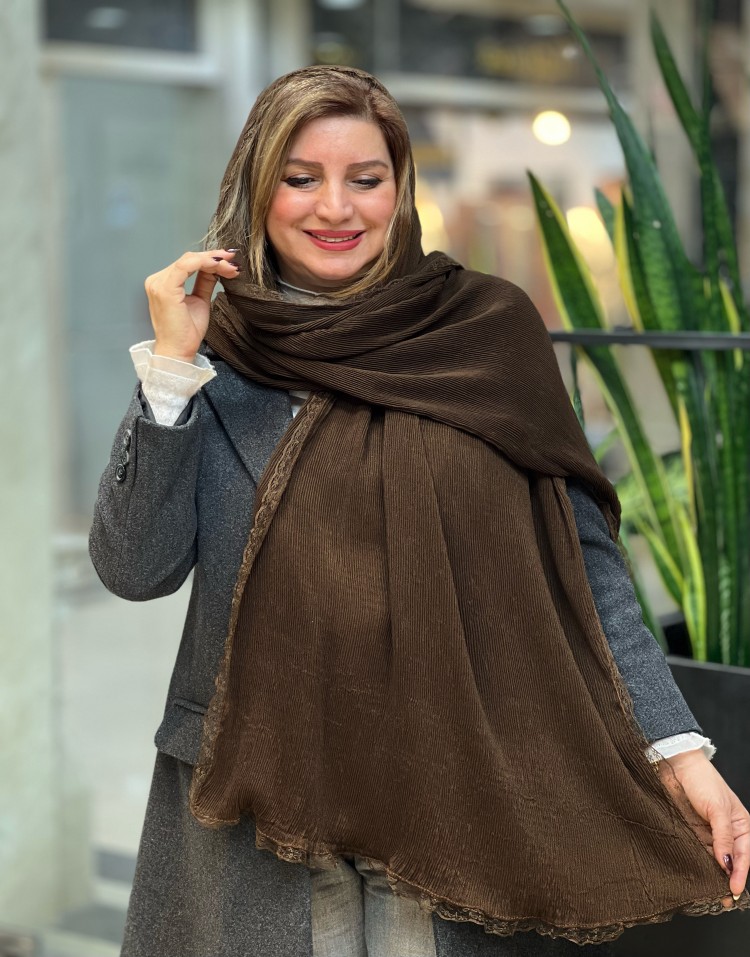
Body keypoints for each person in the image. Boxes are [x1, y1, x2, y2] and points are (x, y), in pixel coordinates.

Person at [89, 65, 749, 957]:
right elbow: (136, 569)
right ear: (257, 187)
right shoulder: (217, 347)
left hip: (452, 788)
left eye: (366, 178)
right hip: (259, 797)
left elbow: (583, 566)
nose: (336, 207)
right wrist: (171, 369)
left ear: (400, 189)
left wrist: (678, 749)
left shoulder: (484, 334)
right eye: (301, 177)